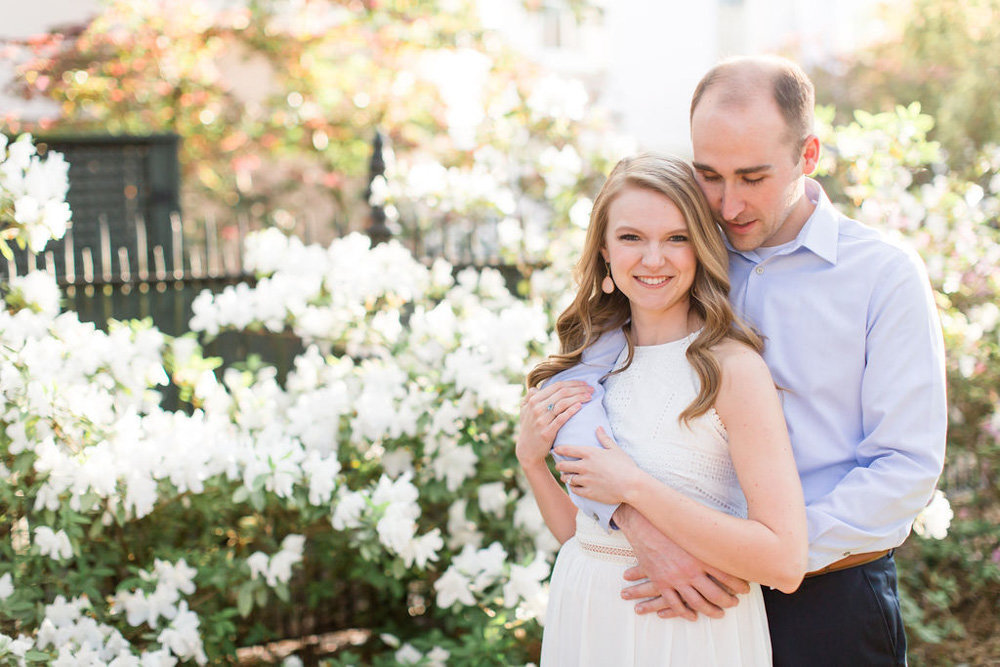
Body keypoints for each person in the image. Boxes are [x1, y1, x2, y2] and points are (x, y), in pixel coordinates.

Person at [522, 55, 948, 666]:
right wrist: (639, 527)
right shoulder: (677, 246)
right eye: (709, 175)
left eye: (752, 177)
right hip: (673, 590)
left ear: (808, 156)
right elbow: (587, 388)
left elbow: (903, 468)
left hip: (826, 598)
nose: (727, 204)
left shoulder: (882, 275)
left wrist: (752, 555)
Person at [516, 152, 808, 666]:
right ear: (605, 252)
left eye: (676, 238)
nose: (654, 259)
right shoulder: (590, 364)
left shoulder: (730, 368)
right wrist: (531, 461)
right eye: (631, 238)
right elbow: (579, 533)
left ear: (701, 249)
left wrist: (633, 486)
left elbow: (784, 561)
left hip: (687, 632)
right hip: (586, 614)